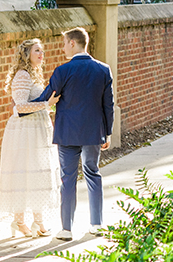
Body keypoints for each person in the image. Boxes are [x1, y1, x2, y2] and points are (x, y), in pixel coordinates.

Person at [33, 27, 114, 241]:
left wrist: (23, 108)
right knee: (93, 173)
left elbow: (46, 96)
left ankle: (66, 229)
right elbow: (108, 105)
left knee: (67, 179)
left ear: (72, 43)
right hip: (93, 133)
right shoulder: (103, 70)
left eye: (64, 43)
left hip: (68, 133)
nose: (62, 48)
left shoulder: (62, 71)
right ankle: (97, 224)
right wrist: (108, 133)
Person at [0, 38, 61, 238]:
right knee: (24, 173)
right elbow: (20, 107)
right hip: (24, 133)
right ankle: (21, 222)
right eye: (36, 51)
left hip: (36, 131)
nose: (41, 55)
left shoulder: (33, 75)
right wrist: (46, 103)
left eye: (42, 51)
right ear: (27, 55)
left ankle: (36, 222)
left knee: (36, 175)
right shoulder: (22, 75)